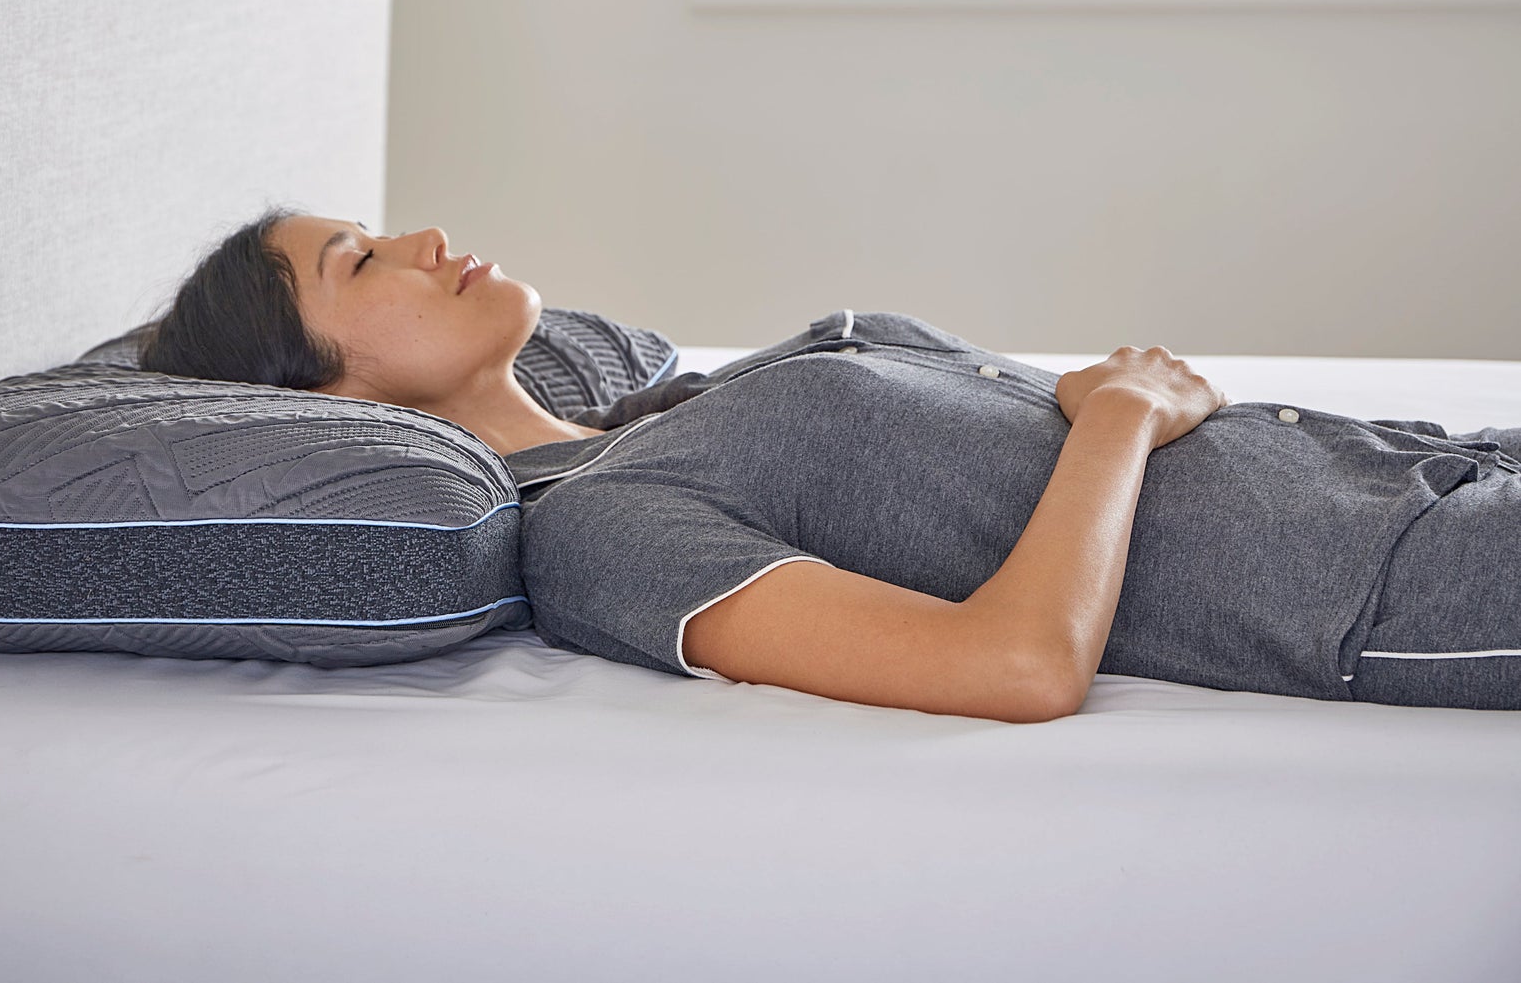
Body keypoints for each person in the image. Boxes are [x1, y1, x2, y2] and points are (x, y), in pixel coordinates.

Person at [142, 207, 1521, 721]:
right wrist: (1115, 418)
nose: (424, 235)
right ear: (317, 388)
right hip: (1402, 585)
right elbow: (1013, 666)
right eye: (360, 262)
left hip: (1431, 467)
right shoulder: (594, 534)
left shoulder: (670, 410)